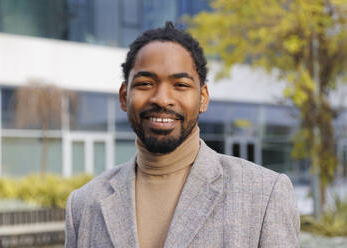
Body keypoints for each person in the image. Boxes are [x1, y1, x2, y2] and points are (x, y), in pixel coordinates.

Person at [65, 22, 300, 248]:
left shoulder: (264, 194)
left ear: (203, 98)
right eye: (145, 83)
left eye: (180, 85)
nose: (162, 99)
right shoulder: (84, 205)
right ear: (123, 96)